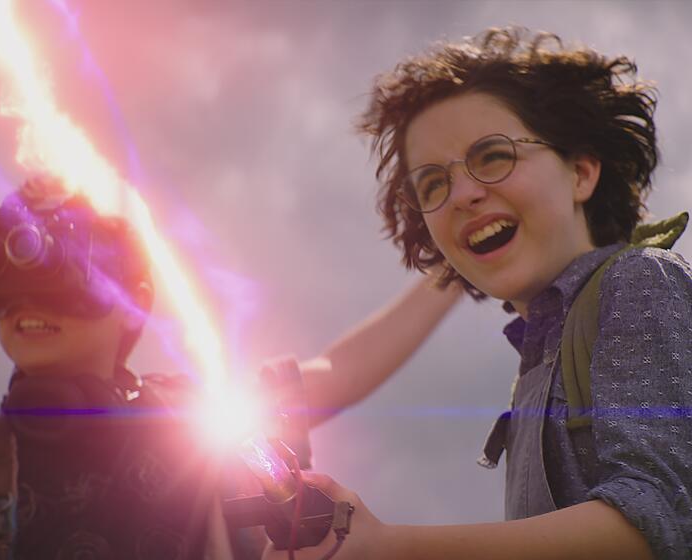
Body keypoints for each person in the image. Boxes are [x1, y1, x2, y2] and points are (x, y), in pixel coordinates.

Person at [267, 27, 692, 560]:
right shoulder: (538, 364)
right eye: (432, 185)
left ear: (581, 173)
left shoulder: (639, 282)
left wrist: (391, 548)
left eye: (493, 156)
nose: (463, 194)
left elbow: (655, 520)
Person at [0, 177, 255, 559]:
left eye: (63, 265)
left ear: (133, 304)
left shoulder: (200, 432)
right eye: (14, 272)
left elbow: (317, 380)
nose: (31, 299)